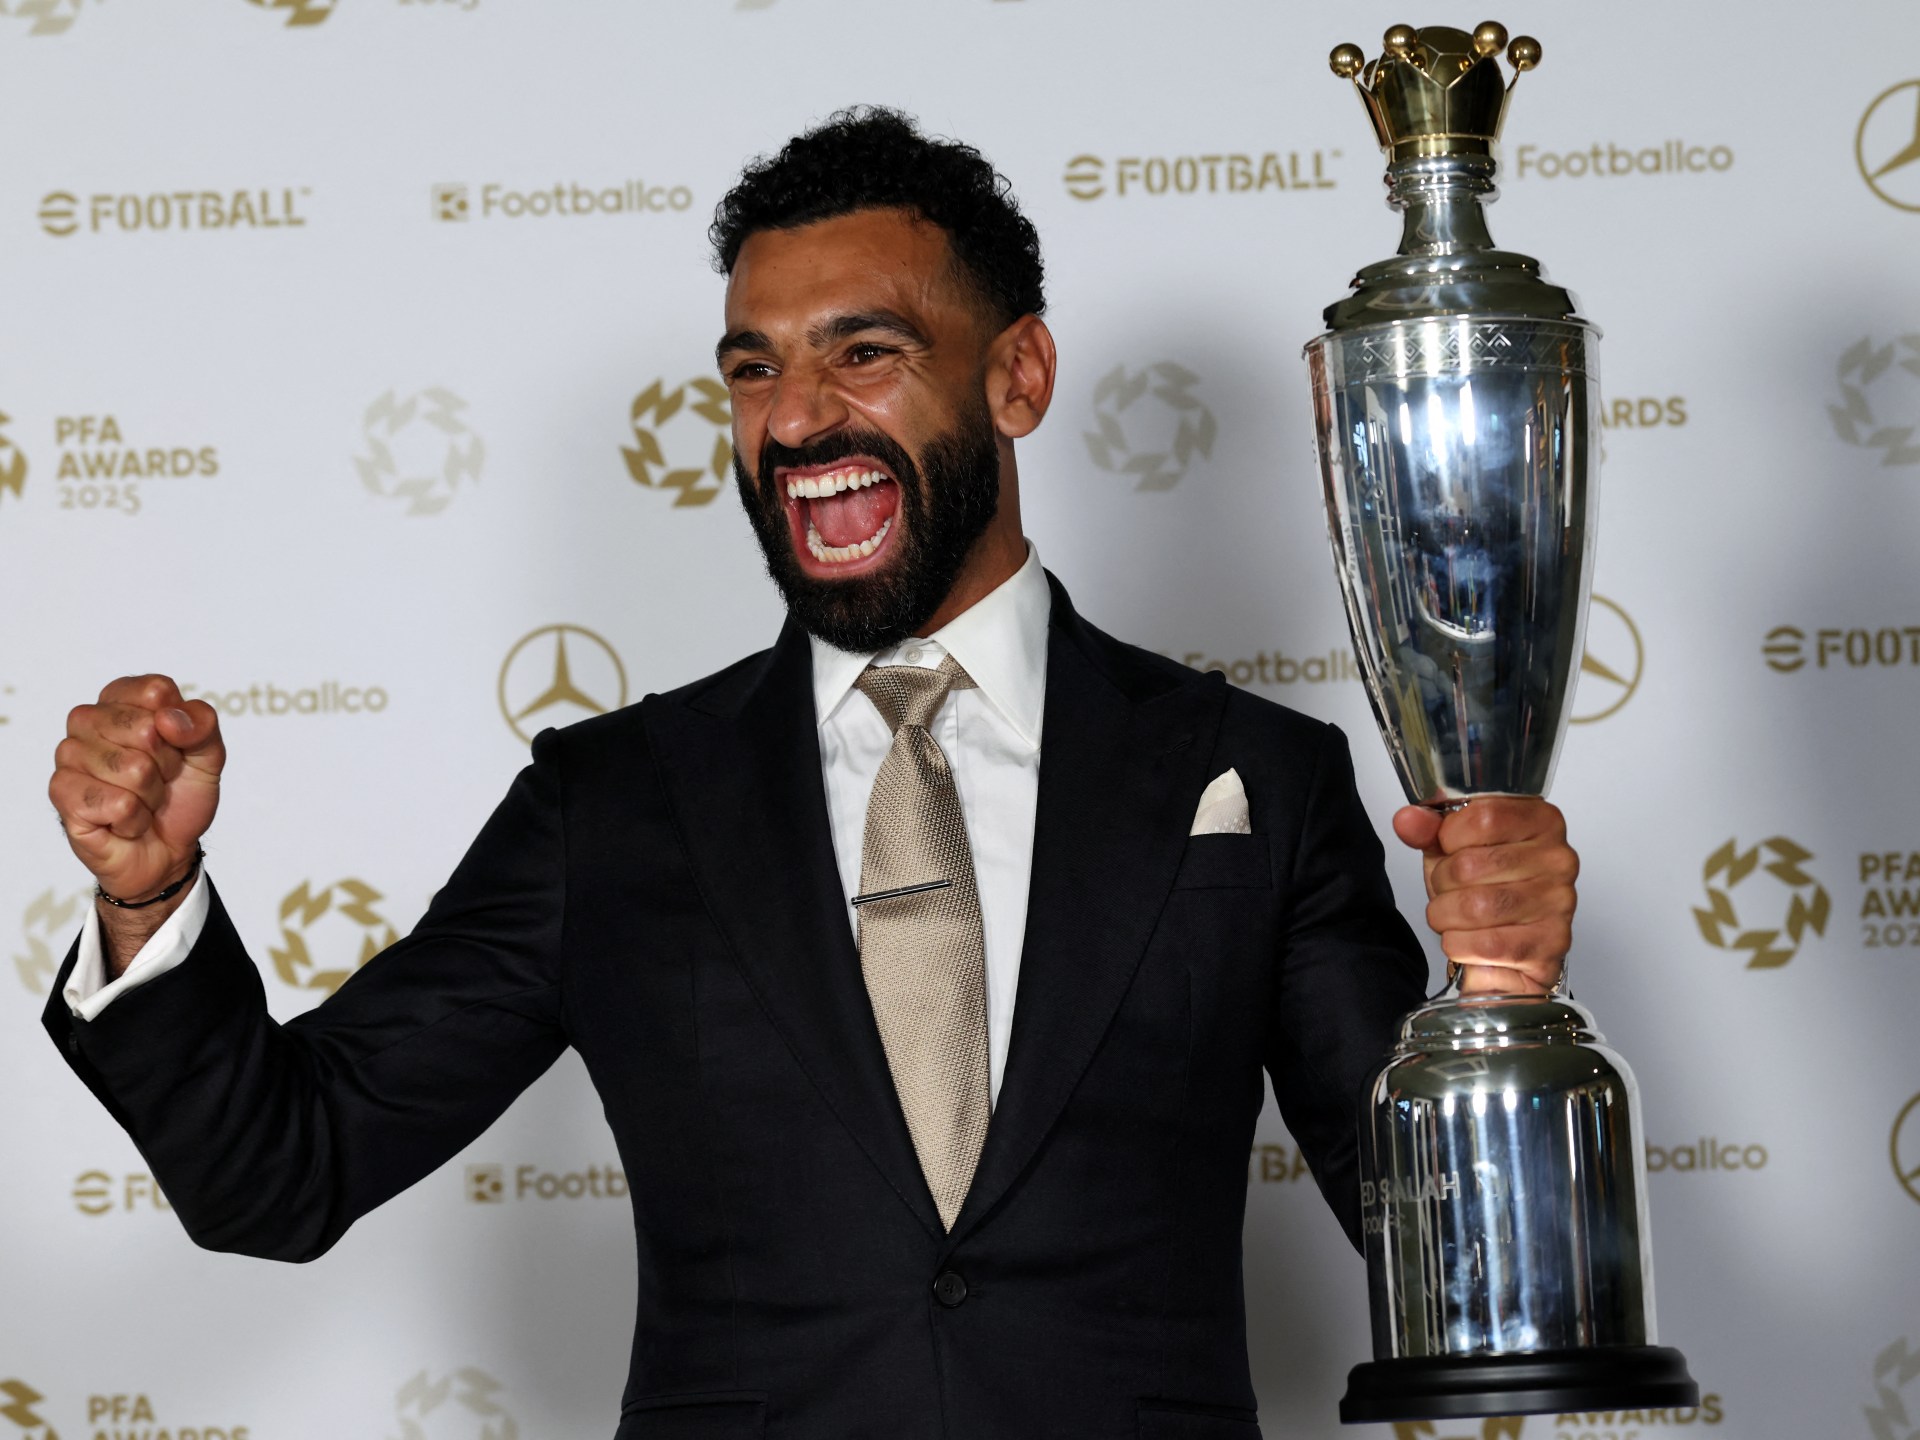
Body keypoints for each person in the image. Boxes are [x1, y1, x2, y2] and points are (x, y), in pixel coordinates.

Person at [43, 108, 1577, 1440]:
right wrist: (150, 901)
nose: (793, 419)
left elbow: (1444, 1264)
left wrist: (1498, 1004)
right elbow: (281, 1174)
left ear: (1018, 375)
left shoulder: (1254, 780)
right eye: (753, 368)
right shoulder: (611, 803)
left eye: (865, 352)